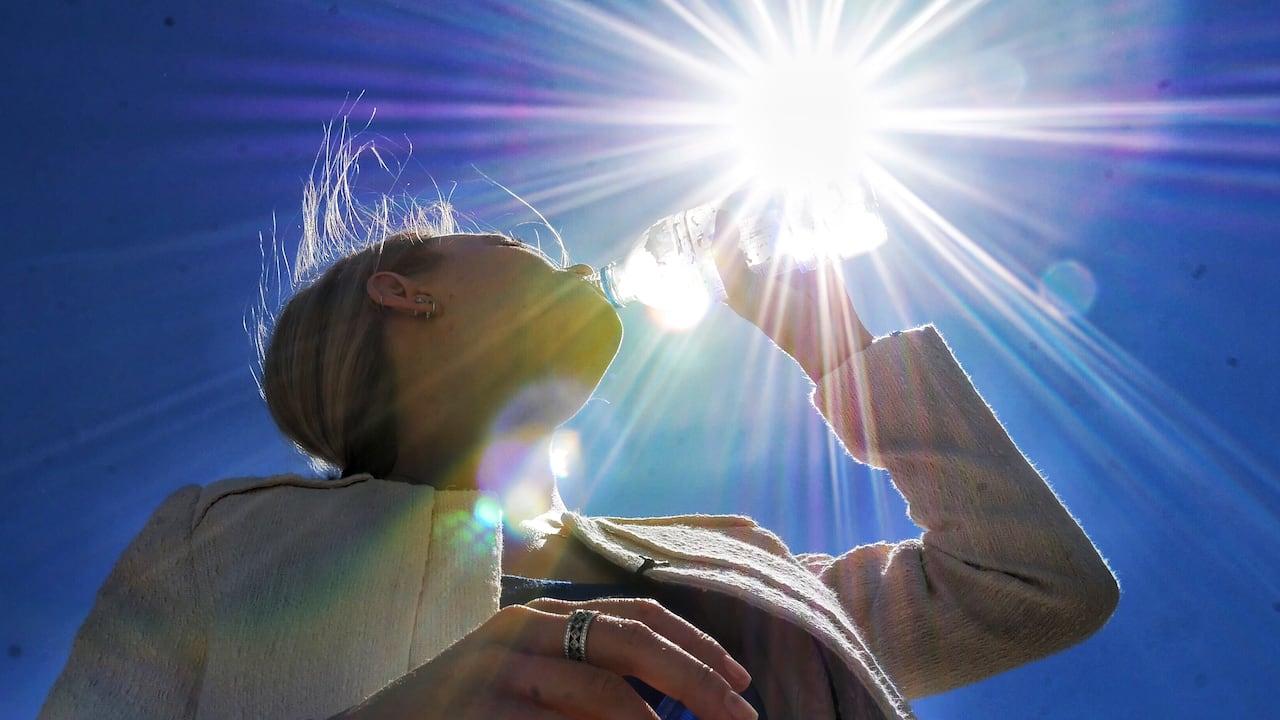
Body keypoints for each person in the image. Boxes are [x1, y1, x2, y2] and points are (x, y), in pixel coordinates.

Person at [40, 136, 1119, 720]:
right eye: (507, 245)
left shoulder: (738, 562)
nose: (562, 257)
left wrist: (838, 352)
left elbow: (1036, 588)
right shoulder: (221, 546)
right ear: (405, 294)